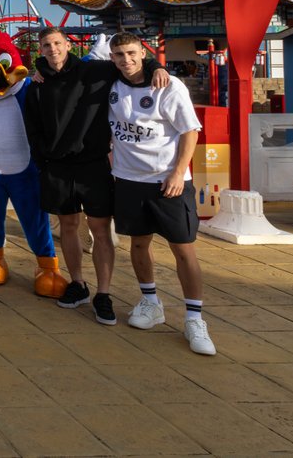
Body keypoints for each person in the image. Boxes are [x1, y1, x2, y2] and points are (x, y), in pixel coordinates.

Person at [25, 27, 167, 325]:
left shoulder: (94, 71)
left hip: (92, 164)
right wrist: (43, 160)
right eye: (46, 45)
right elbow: (32, 126)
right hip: (57, 167)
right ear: (40, 49)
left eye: (57, 44)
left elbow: (130, 62)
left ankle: (103, 293)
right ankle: (77, 283)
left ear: (68, 45)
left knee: (100, 229)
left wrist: (157, 66)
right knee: (68, 226)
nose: (53, 49)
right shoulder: (37, 84)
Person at [107, 32, 214, 355]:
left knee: (183, 249)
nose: (126, 60)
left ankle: (195, 318)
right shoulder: (110, 85)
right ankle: (151, 302)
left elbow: (189, 131)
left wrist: (179, 173)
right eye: (119, 55)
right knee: (138, 242)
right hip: (128, 179)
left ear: (143, 53)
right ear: (111, 58)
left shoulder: (168, 86)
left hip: (167, 181)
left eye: (132, 53)